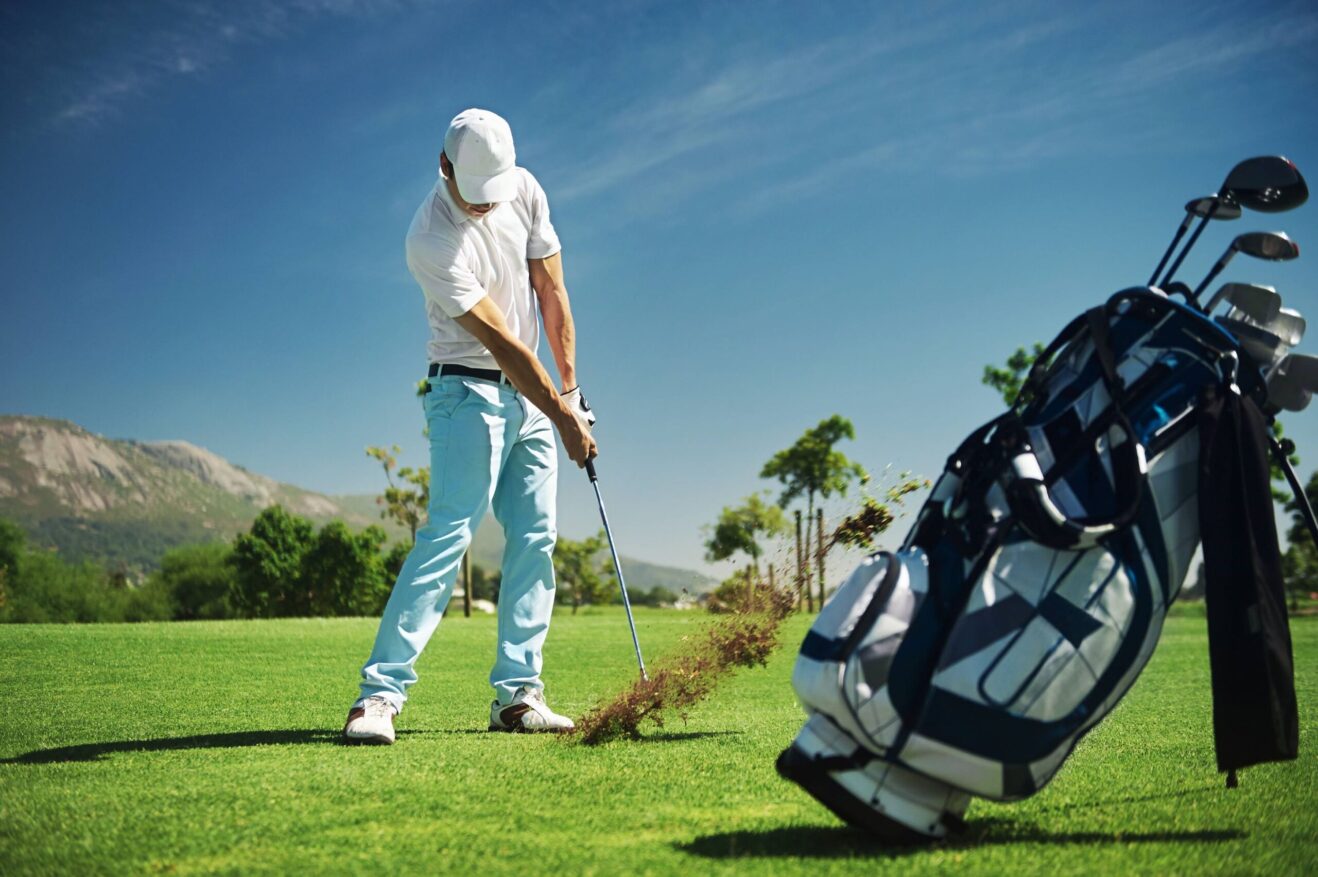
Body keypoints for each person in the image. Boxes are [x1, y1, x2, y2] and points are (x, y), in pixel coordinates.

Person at [344, 108, 597, 744]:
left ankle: (518, 696)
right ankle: (379, 696)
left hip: (535, 393)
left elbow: (551, 289)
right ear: (443, 167)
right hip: (465, 390)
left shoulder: (524, 187)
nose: (486, 206)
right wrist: (563, 416)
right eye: (473, 194)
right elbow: (503, 339)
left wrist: (570, 391)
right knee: (449, 533)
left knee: (537, 537)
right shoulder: (428, 237)